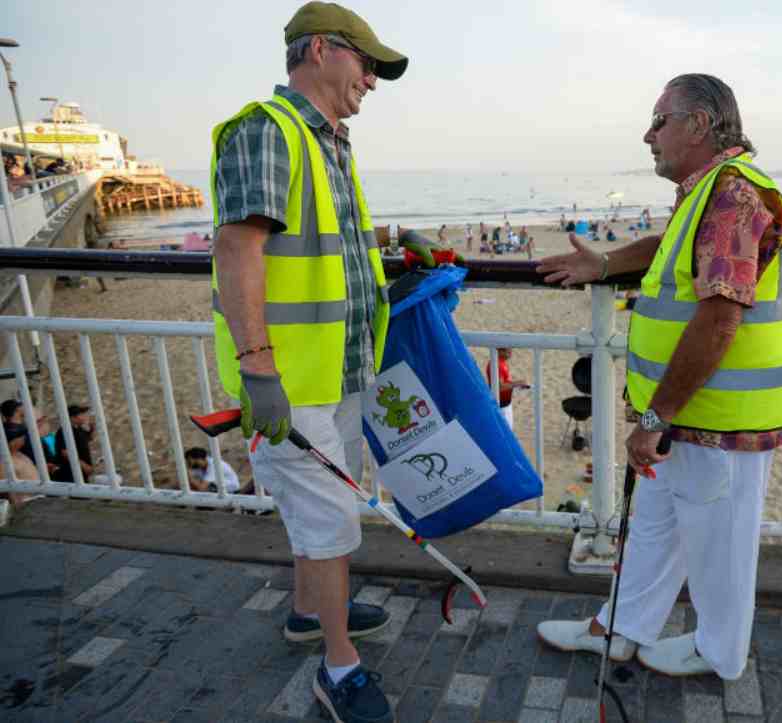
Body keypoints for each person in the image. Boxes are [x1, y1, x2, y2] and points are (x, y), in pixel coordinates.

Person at [536, 73, 782, 681]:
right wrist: (603, 263)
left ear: (699, 125)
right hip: (686, 414)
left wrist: (656, 418)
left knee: (719, 547)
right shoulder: (703, 191)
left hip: (719, 417)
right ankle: (619, 630)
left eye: (659, 120)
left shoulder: (733, 194)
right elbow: (665, 249)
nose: (648, 135)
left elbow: (720, 320)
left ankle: (719, 652)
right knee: (655, 522)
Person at [207, 4, 409, 721]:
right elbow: (238, 248)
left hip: (338, 370)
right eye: (367, 63)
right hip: (288, 381)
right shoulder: (269, 129)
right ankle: (338, 665)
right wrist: (258, 369)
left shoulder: (330, 143)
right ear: (319, 50)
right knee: (330, 520)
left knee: (330, 507)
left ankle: (307, 610)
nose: (373, 81)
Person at [484, 347, 528, 429]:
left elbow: (504, 383)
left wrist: (516, 384)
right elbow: (499, 387)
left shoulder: (502, 363)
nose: (510, 352)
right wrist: (516, 383)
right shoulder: (496, 364)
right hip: (501, 406)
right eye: (507, 350)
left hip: (505, 404)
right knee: (506, 430)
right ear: (499, 351)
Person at [51, 405, 94, 483]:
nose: (85, 416)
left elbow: (86, 439)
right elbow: (65, 452)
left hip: (80, 473)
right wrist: (84, 466)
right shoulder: (65, 431)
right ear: (73, 417)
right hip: (70, 473)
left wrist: (91, 428)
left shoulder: (79, 429)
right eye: (81, 414)